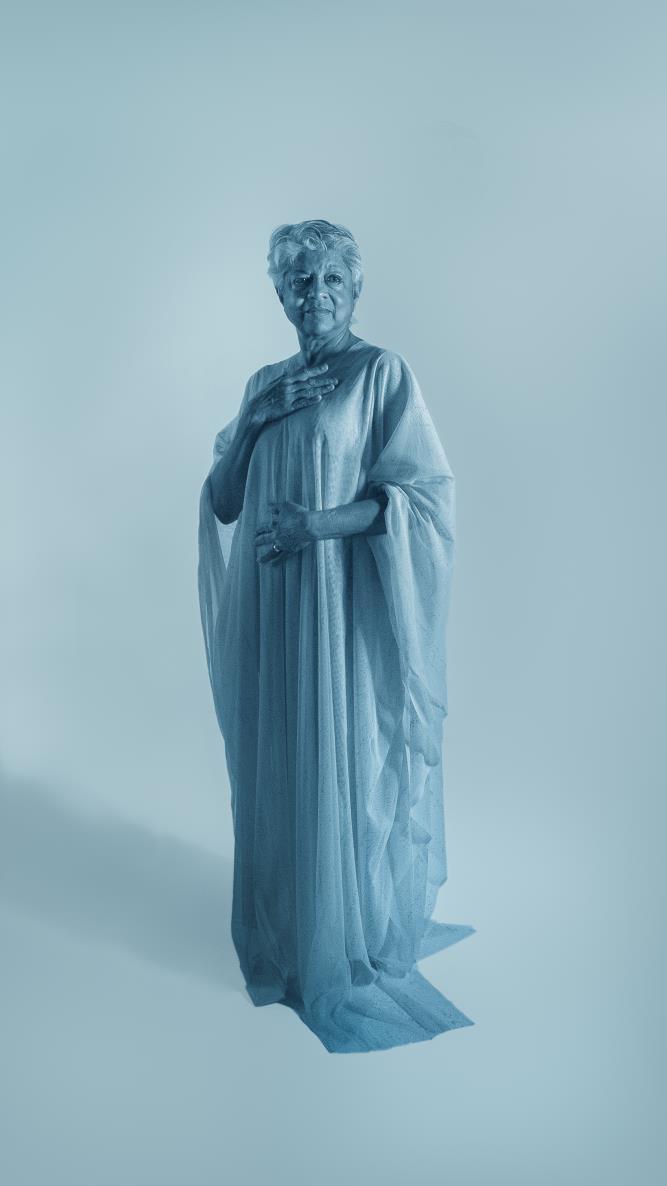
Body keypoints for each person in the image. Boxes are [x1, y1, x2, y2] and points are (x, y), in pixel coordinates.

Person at [197, 219, 475, 1053]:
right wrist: (254, 419)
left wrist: (316, 524)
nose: (314, 295)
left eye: (329, 281)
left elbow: (421, 497)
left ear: (355, 291)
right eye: (299, 281)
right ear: (280, 294)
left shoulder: (380, 374)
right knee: (277, 756)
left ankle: (340, 934)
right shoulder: (264, 382)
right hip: (270, 606)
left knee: (341, 754)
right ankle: (290, 931)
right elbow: (223, 502)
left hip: (336, 609)